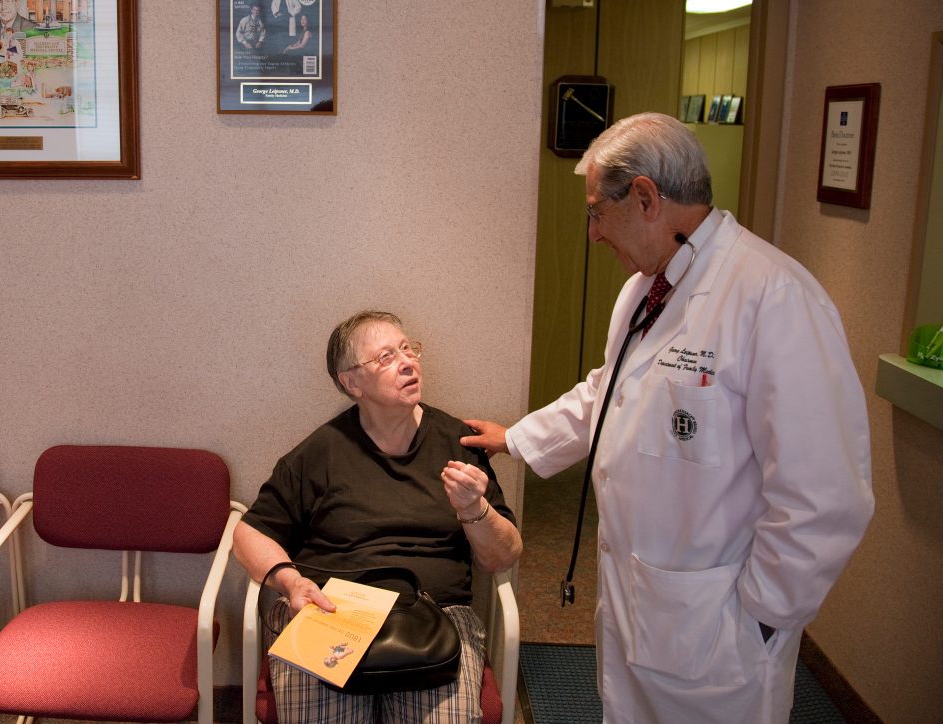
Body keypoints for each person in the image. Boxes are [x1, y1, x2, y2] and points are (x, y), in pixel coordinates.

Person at [462, 112, 874, 723]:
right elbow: (615, 391)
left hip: (718, 632)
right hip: (644, 608)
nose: (594, 233)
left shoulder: (774, 298)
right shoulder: (646, 289)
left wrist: (759, 618)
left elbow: (825, 497)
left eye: (597, 211)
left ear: (648, 198)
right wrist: (518, 438)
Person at [234, 310, 522, 723]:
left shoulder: (457, 443)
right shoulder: (320, 453)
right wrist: (291, 581)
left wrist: (474, 509)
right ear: (351, 382)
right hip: (332, 612)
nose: (408, 362)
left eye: (408, 349)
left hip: (435, 617)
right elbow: (248, 534)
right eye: (386, 357)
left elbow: (503, 556)